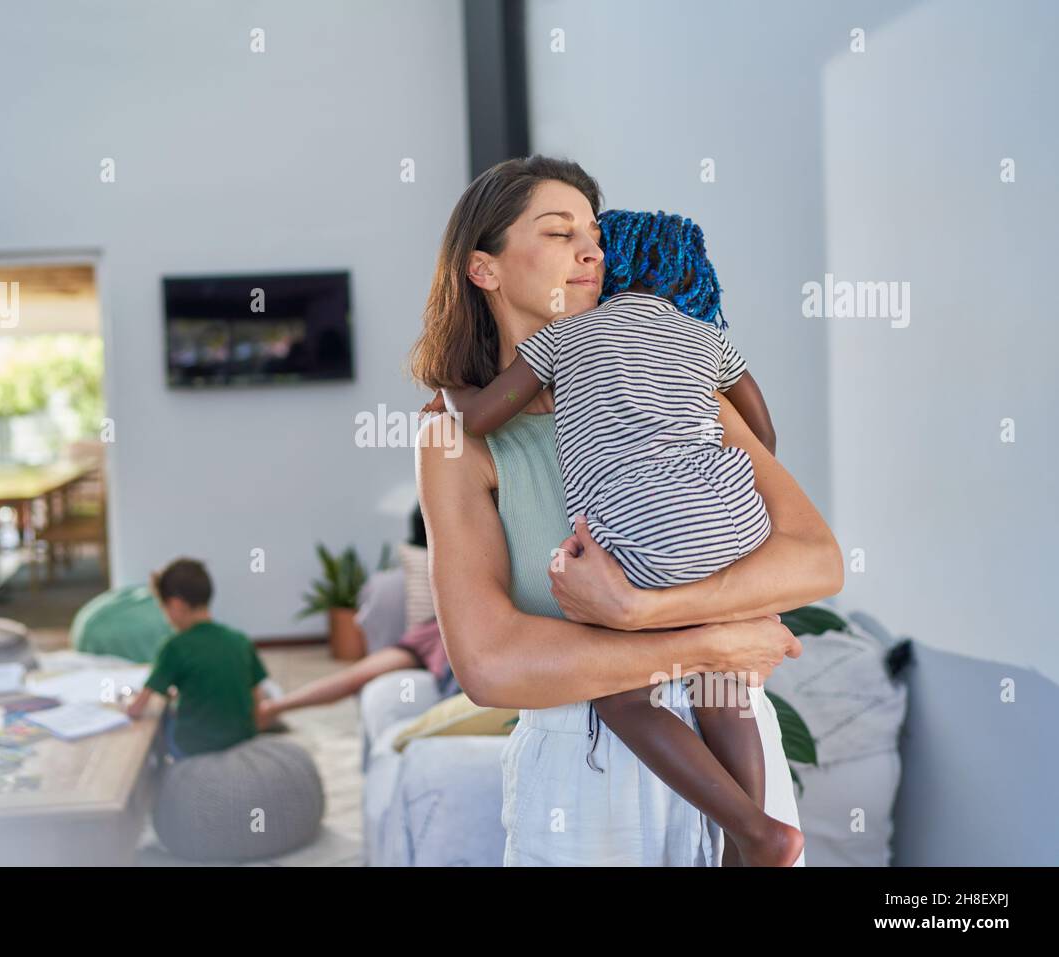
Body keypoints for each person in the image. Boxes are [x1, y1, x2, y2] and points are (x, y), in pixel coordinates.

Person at [409, 155, 843, 866]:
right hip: (588, 781)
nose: (590, 250)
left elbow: (816, 560)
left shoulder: (677, 392)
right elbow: (490, 664)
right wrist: (707, 643)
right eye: (558, 232)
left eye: (593, 233)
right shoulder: (454, 440)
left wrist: (639, 615)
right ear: (483, 268)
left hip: (742, 765)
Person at [256, 505, 451, 727]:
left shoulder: (424, 623)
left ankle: (272, 707)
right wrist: (274, 707)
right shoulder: (429, 633)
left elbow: (352, 679)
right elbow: (352, 679)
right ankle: (272, 708)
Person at [124, 558, 269, 761]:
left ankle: (160, 778)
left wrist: (127, 706)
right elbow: (256, 698)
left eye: (164, 609)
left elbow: (139, 707)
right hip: (242, 741)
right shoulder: (240, 640)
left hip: (194, 749)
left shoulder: (174, 646)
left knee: (162, 718)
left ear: (176, 605)